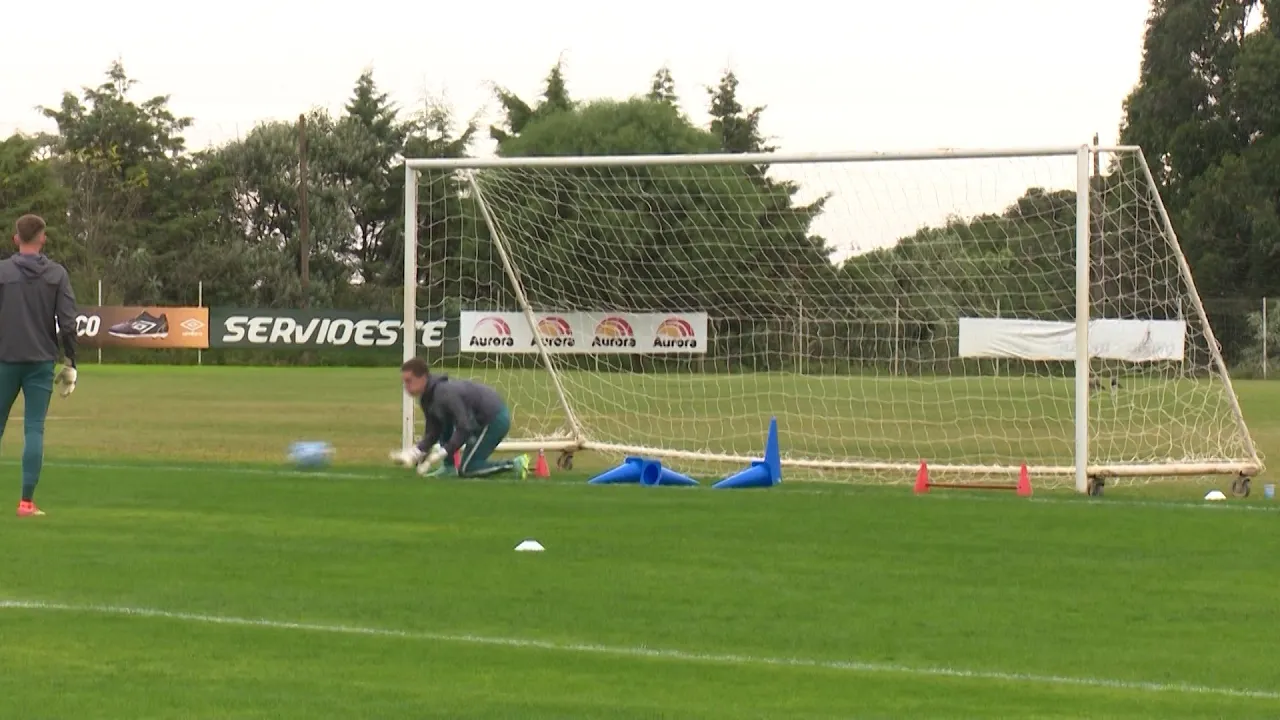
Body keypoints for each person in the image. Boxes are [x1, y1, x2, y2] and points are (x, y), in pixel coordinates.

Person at [0, 214, 79, 517]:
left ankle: (26, 502)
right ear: (42, 238)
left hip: (4, 359)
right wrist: (71, 361)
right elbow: (69, 323)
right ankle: (26, 502)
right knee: (34, 429)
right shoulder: (57, 274)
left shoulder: (3, 271)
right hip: (40, 362)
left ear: (16, 238)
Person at [390, 358, 529, 479]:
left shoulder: (444, 393)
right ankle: (449, 469)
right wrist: (417, 453)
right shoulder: (427, 398)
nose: (406, 386)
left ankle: (515, 463)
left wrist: (444, 451)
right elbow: (433, 431)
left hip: (493, 419)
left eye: (409, 381)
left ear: (423, 377)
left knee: (468, 469)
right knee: (444, 425)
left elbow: (465, 426)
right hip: (477, 420)